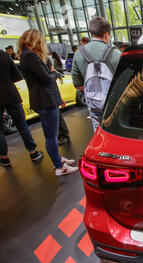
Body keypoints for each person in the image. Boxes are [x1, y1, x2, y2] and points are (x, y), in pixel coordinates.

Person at [18, 29, 78, 176]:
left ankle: (58, 159)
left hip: (44, 99)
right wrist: (54, 73)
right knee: (51, 136)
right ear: (36, 40)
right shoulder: (30, 56)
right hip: (45, 99)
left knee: (52, 133)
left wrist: (50, 73)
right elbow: (46, 78)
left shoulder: (26, 55)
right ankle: (59, 167)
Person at [72, 17, 121, 131]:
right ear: (106, 34)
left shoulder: (79, 54)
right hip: (116, 108)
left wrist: (94, 94)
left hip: (94, 109)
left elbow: (77, 84)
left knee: (99, 134)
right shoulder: (116, 54)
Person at [0, 49, 44, 167]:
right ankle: (33, 152)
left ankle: (4, 158)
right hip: (11, 95)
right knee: (22, 125)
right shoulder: (4, 55)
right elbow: (17, 76)